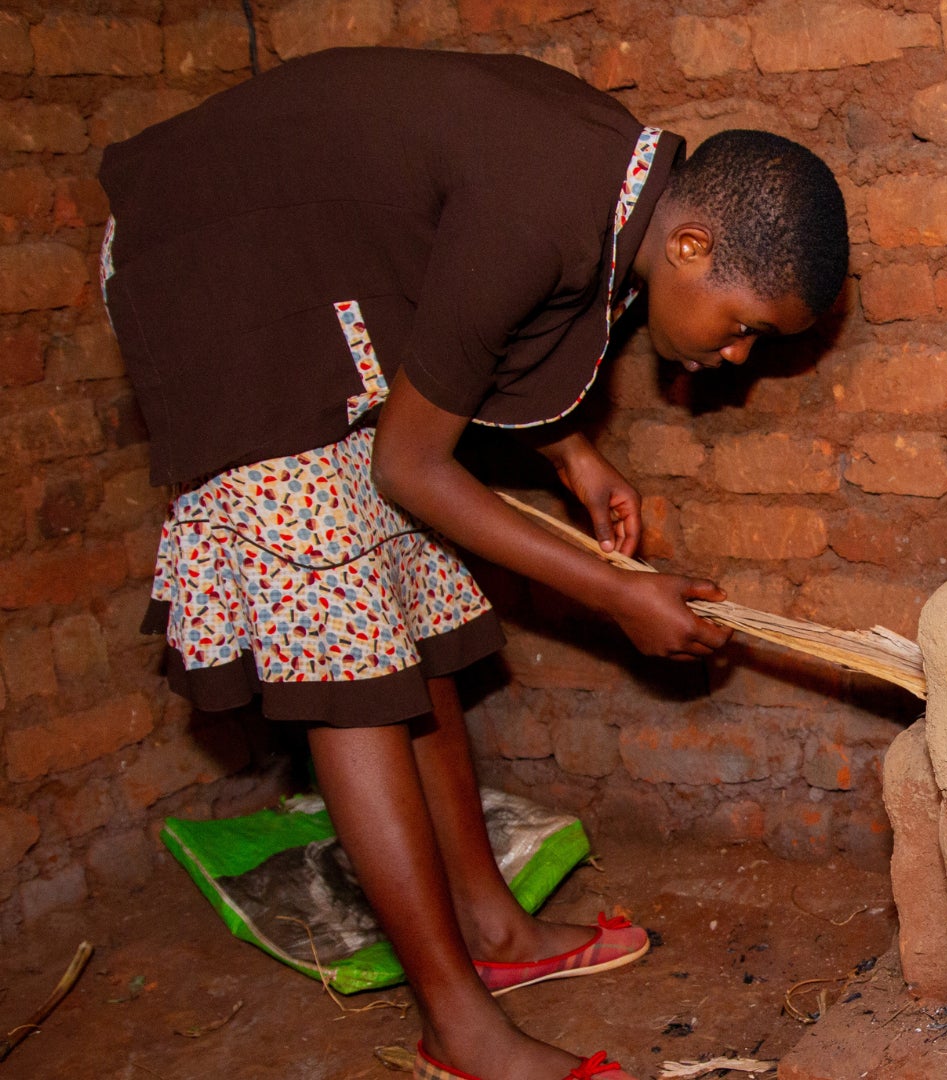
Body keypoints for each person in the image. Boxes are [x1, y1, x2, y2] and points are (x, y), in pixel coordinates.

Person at [98, 46, 849, 1080]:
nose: (737, 358)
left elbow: (466, 316)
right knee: (347, 651)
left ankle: (490, 930)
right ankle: (457, 1026)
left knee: (406, 605)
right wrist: (615, 593)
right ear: (690, 244)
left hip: (307, 276)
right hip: (221, 277)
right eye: (746, 329)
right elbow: (410, 464)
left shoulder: (606, 182)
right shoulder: (545, 203)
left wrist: (573, 454)